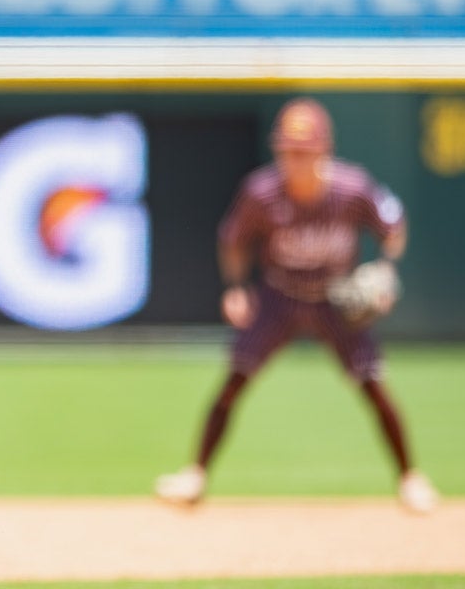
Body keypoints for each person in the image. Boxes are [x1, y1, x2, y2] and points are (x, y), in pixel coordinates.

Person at [154, 97, 439, 513]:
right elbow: (233, 240)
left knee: (373, 384)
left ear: (324, 151)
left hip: (335, 298)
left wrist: (387, 269)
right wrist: (236, 287)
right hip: (280, 295)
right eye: (287, 152)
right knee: (235, 380)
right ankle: (195, 476)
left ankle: (411, 479)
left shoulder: (351, 188)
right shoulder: (261, 193)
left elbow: (392, 225)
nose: (294, 161)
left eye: (304, 153)